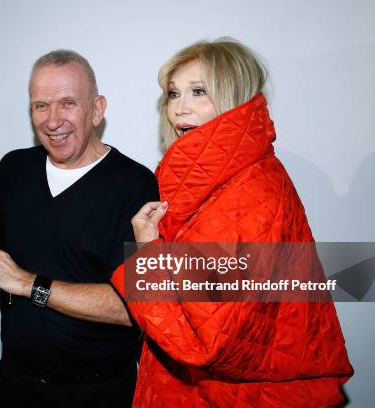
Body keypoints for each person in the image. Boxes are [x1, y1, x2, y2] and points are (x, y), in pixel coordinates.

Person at [110, 38, 354, 407]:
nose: (180, 108)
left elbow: (202, 342)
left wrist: (147, 252)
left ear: (233, 100)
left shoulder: (248, 194)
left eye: (198, 92)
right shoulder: (220, 179)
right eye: (173, 94)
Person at [0, 49, 159, 407]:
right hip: (18, 384)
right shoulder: (12, 170)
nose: (52, 120)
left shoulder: (135, 185)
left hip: (99, 392)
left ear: (96, 110)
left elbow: (132, 307)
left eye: (67, 103)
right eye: (40, 105)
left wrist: (29, 284)